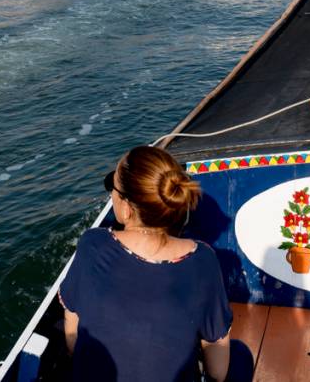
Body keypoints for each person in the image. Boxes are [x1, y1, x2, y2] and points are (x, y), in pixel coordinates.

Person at [60, 145, 244, 382]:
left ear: (126, 208)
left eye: (112, 188)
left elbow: (72, 338)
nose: (110, 194)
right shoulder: (203, 260)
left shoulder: (92, 244)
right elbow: (218, 372)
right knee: (240, 356)